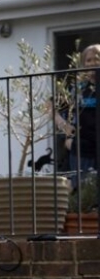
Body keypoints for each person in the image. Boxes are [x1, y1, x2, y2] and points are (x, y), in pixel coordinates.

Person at [57, 44, 100, 179]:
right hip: (82, 151)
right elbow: (51, 106)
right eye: (89, 60)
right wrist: (65, 129)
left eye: (97, 59)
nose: (93, 63)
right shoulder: (77, 88)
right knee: (82, 192)